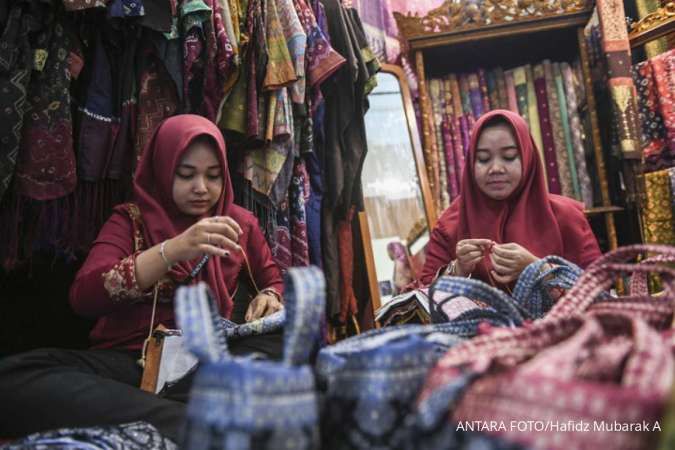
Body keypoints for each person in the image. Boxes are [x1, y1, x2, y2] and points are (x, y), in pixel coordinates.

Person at [0, 115, 284, 443]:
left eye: (214, 176)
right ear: (162, 171)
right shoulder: (130, 220)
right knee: (14, 376)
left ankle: (162, 416)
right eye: (186, 175)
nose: (202, 188)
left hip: (204, 365)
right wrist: (172, 249)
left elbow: (272, 279)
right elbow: (84, 296)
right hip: (131, 364)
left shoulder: (238, 223)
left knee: (284, 340)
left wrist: (270, 296)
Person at [420, 109, 601, 290]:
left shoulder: (567, 218)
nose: (496, 168)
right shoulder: (451, 225)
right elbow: (419, 297)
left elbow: (600, 289)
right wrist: (457, 270)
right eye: (483, 159)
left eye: (509, 157)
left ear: (527, 158)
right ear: (470, 164)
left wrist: (539, 269)